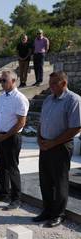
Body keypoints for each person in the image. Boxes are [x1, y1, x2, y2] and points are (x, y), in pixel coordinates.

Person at [35, 71, 81, 227]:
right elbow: (42, 121)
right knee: (45, 180)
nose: (51, 86)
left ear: (64, 83)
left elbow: (75, 127)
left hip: (61, 146)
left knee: (59, 181)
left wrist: (54, 142)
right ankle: (47, 210)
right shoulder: (48, 99)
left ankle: (58, 214)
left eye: (54, 83)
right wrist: (39, 138)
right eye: (50, 83)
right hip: (45, 145)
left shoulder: (73, 100)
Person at [0, 70, 29, 210]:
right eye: (1, 80)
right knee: (1, 166)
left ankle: (16, 198)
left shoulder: (20, 98)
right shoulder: (1, 96)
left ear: (13, 81)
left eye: (4, 80)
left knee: (12, 167)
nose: (1, 83)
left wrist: (5, 135)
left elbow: (21, 122)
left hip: (11, 137)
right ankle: (3, 192)